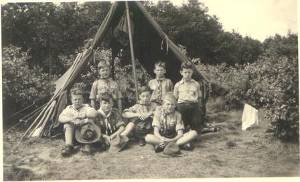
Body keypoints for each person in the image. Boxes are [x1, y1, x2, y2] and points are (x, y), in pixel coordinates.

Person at [58, 87, 98, 157]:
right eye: (75, 99)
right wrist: (71, 119)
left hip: (84, 133)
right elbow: (60, 118)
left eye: (79, 99)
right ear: (72, 100)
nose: (77, 101)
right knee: (67, 124)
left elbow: (94, 113)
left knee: (89, 122)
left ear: (82, 99)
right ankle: (69, 146)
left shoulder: (86, 107)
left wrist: (84, 115)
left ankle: (86, 145)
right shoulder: (69, 108)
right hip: (72, 134)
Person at [174, 62, 203, 133]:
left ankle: (194, 135)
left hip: (193, 106)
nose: (187, 74)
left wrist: (199, 107)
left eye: (189, 72)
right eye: (185, 72)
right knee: (181, 123)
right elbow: (175, 98)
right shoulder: (177, 85)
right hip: (182, 106)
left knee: (196, 122)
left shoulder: (196, 84)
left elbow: (199, 97)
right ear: (181, 72)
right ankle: (182, 136)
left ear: (192, 72)